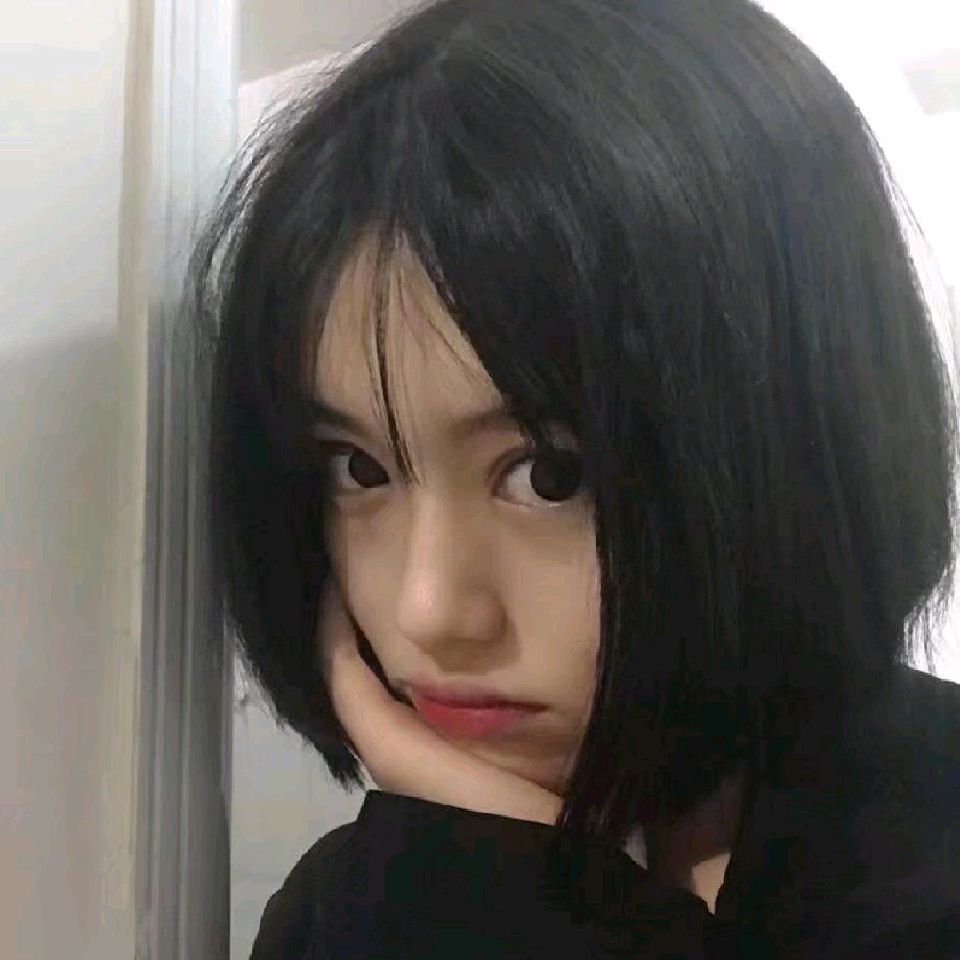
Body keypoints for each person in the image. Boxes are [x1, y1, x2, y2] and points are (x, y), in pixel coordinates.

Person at [190, 0, 960, 955]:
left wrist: (531, 895)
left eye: (547, 476)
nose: (430, 610)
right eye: (361, 468)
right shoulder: (350, 914)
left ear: (796, 434)